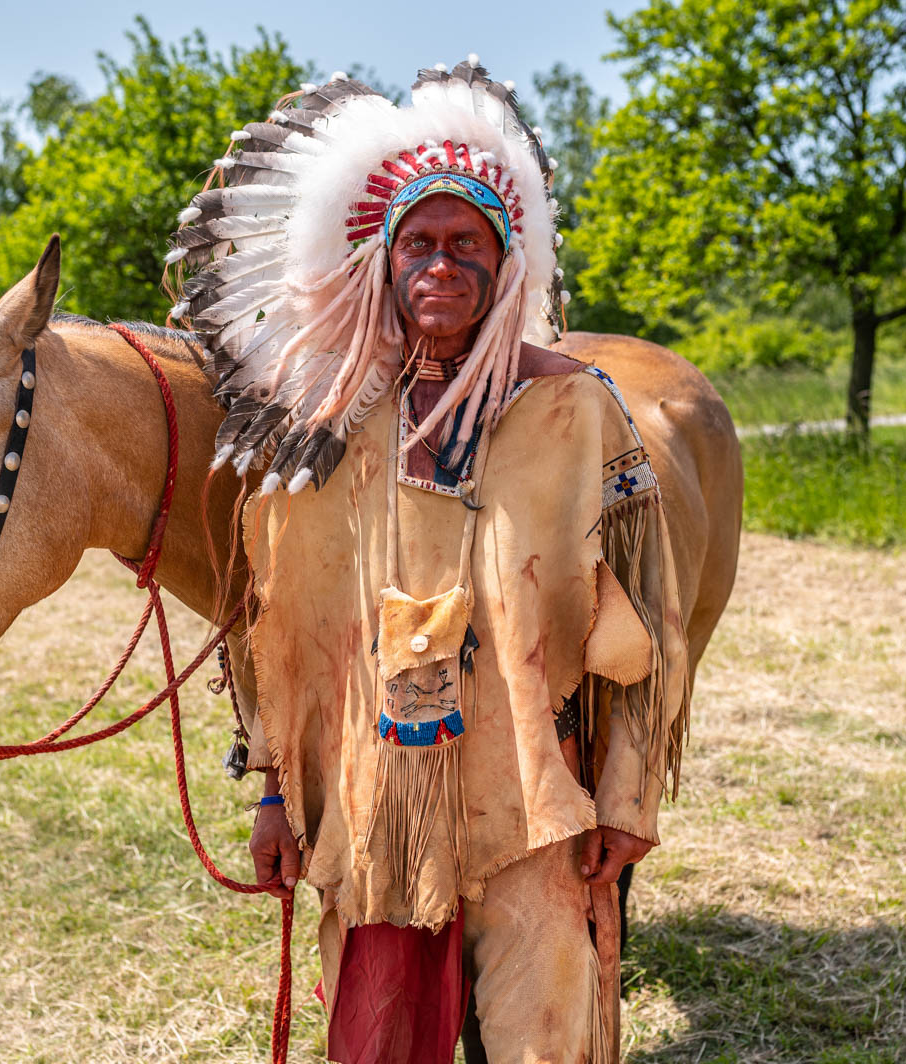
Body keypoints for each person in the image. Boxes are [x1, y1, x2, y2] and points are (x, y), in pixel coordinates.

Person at [168, 58, 690, 1064]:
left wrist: (626, 799)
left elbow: (647, 613)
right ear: (382, 260)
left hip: (533, 797)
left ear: (506, 265)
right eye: (418, 244)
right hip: (374, 810)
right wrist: (275, 794)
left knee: (544, 1039)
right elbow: (275, 628)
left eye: (466, 244)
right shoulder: (325, 431)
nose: (440, 266)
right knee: (378, 1041)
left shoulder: (579, 410)